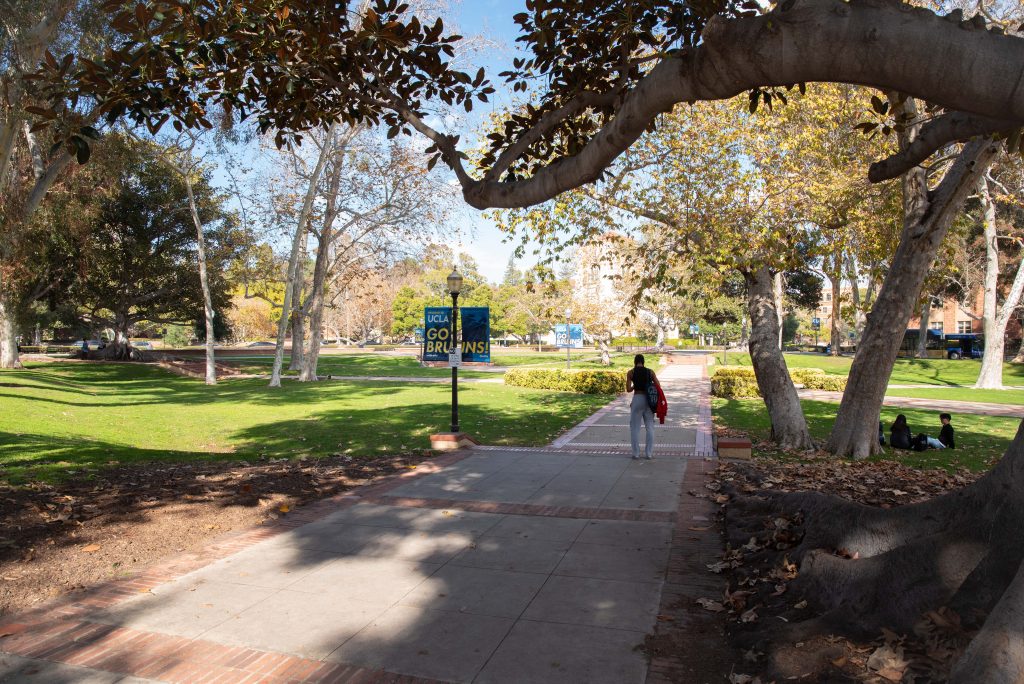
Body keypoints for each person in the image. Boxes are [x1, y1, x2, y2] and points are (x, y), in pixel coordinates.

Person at [626, 354, 657, 460]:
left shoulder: (631, 372)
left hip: (637, 399)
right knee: (650, 427)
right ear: (643, 362)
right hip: (649, 401)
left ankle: (636, 453)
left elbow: (628, 389)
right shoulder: (650, 372)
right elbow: (658, 386)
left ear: (635, 361)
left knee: (635, 428)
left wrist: (635, 385)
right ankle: (649, 453)